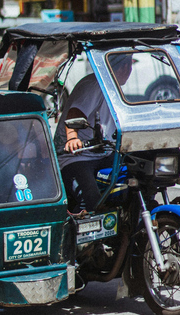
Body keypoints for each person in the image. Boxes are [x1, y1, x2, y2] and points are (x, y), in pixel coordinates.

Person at [54, 54, 132, 213]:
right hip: (77, 156)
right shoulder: (95, 84)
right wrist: (72, 138)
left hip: (103, 154)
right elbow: (75, 112)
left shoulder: (114, 87)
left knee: (135, 179)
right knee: (91, 200)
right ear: (125, 66)